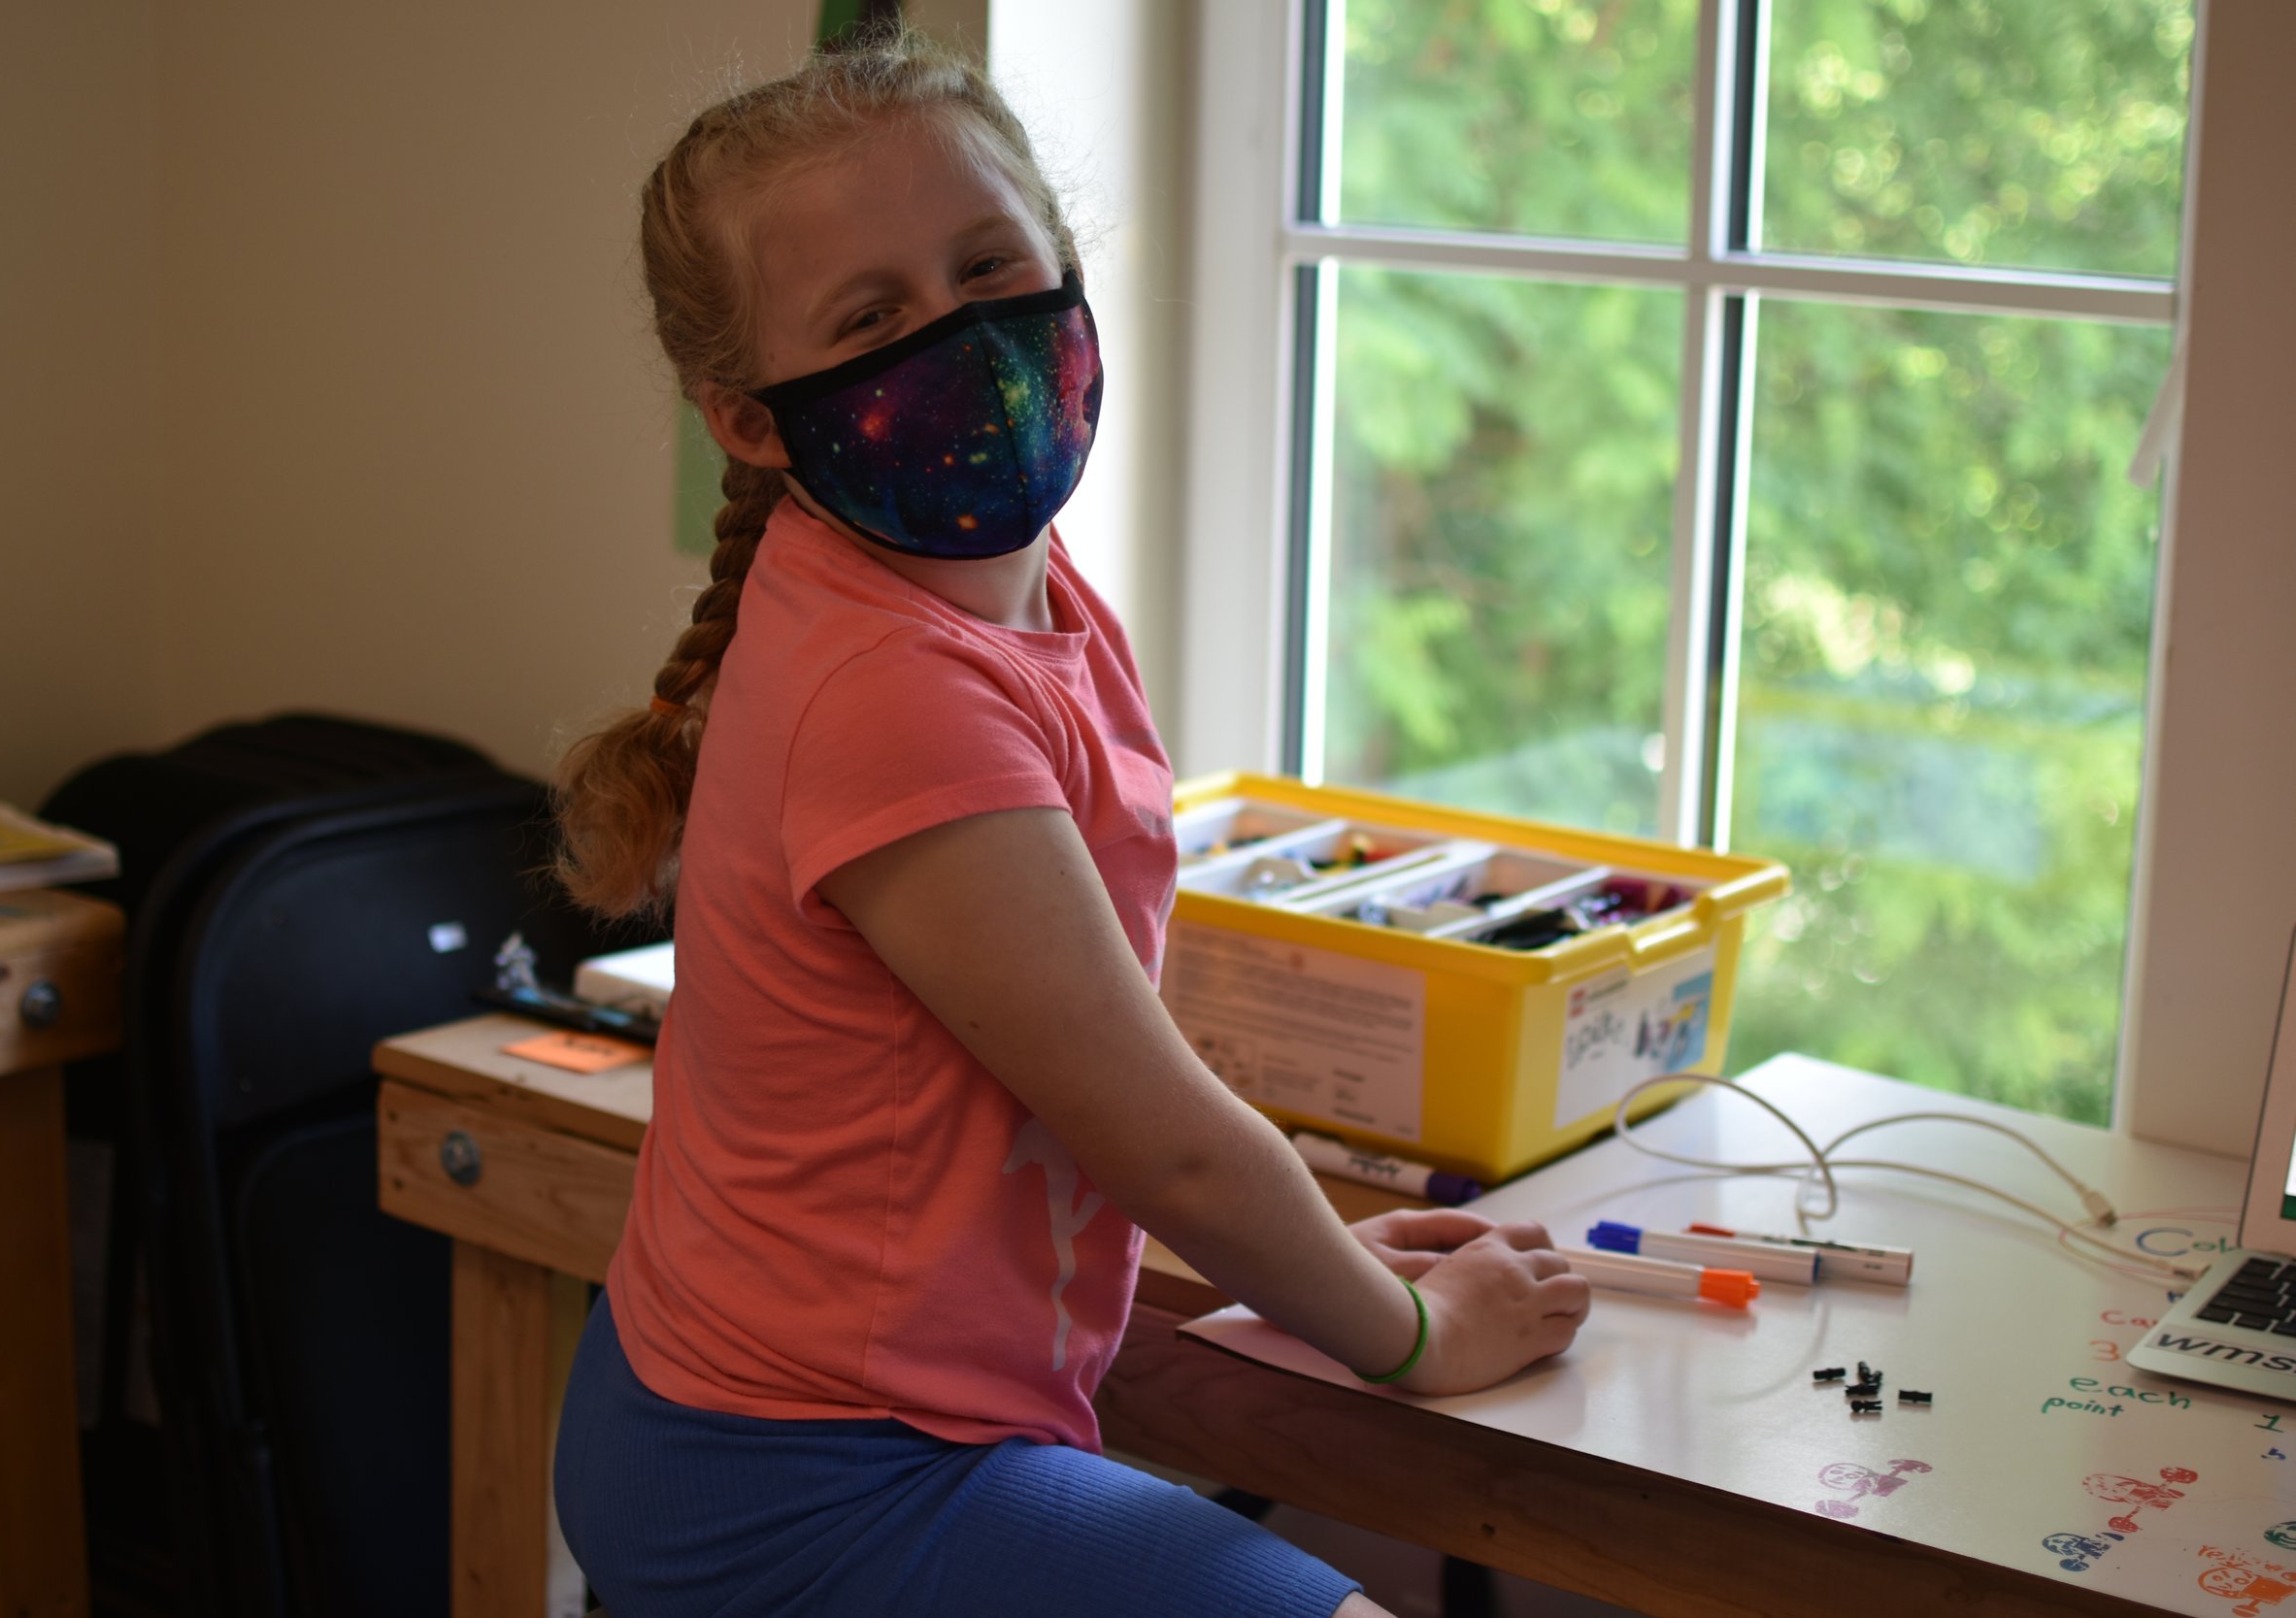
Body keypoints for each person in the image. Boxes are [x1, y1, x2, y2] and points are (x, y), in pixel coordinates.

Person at [547, 28, 1588, 1618]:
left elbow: (1090, 1070)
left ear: (1065, 269)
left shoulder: (1013, 592)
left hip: (838, 1423)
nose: (961, 339)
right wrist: (1422, 1340)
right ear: (750, 421)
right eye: (872, 317)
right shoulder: (886, 686)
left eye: (988, 267)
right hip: (798, 1475)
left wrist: (1348, 1266)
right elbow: (1160, 1136)